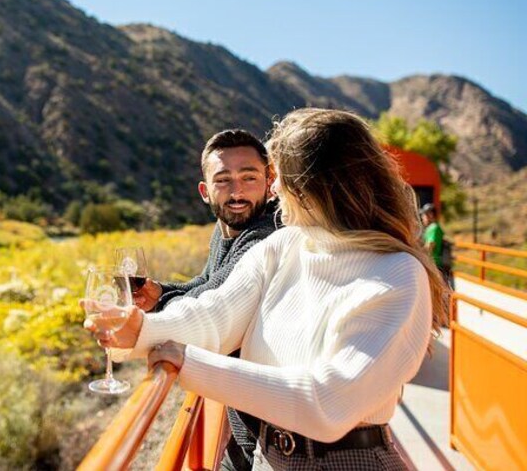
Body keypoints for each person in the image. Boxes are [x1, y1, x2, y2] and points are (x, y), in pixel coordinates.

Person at [88, 109, 449, 470]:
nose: (273, 189)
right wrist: (141, 330)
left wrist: (187, 362)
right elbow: (216, 313)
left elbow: (327, 402)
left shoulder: (396, 274)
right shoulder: (285, 245)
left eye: (282, 177)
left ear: (316, 187)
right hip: (268, 458)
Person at [131, 129, 281, 469]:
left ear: (269, 181)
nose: (237, 191)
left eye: (249, 177)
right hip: (245, 422)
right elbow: (208, 282)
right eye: (223, 180)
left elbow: (214, 302)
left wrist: (143, 323)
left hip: (274, 436)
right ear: (205, 190)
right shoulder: (225, 228)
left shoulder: (267, 233)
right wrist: (162, 292)